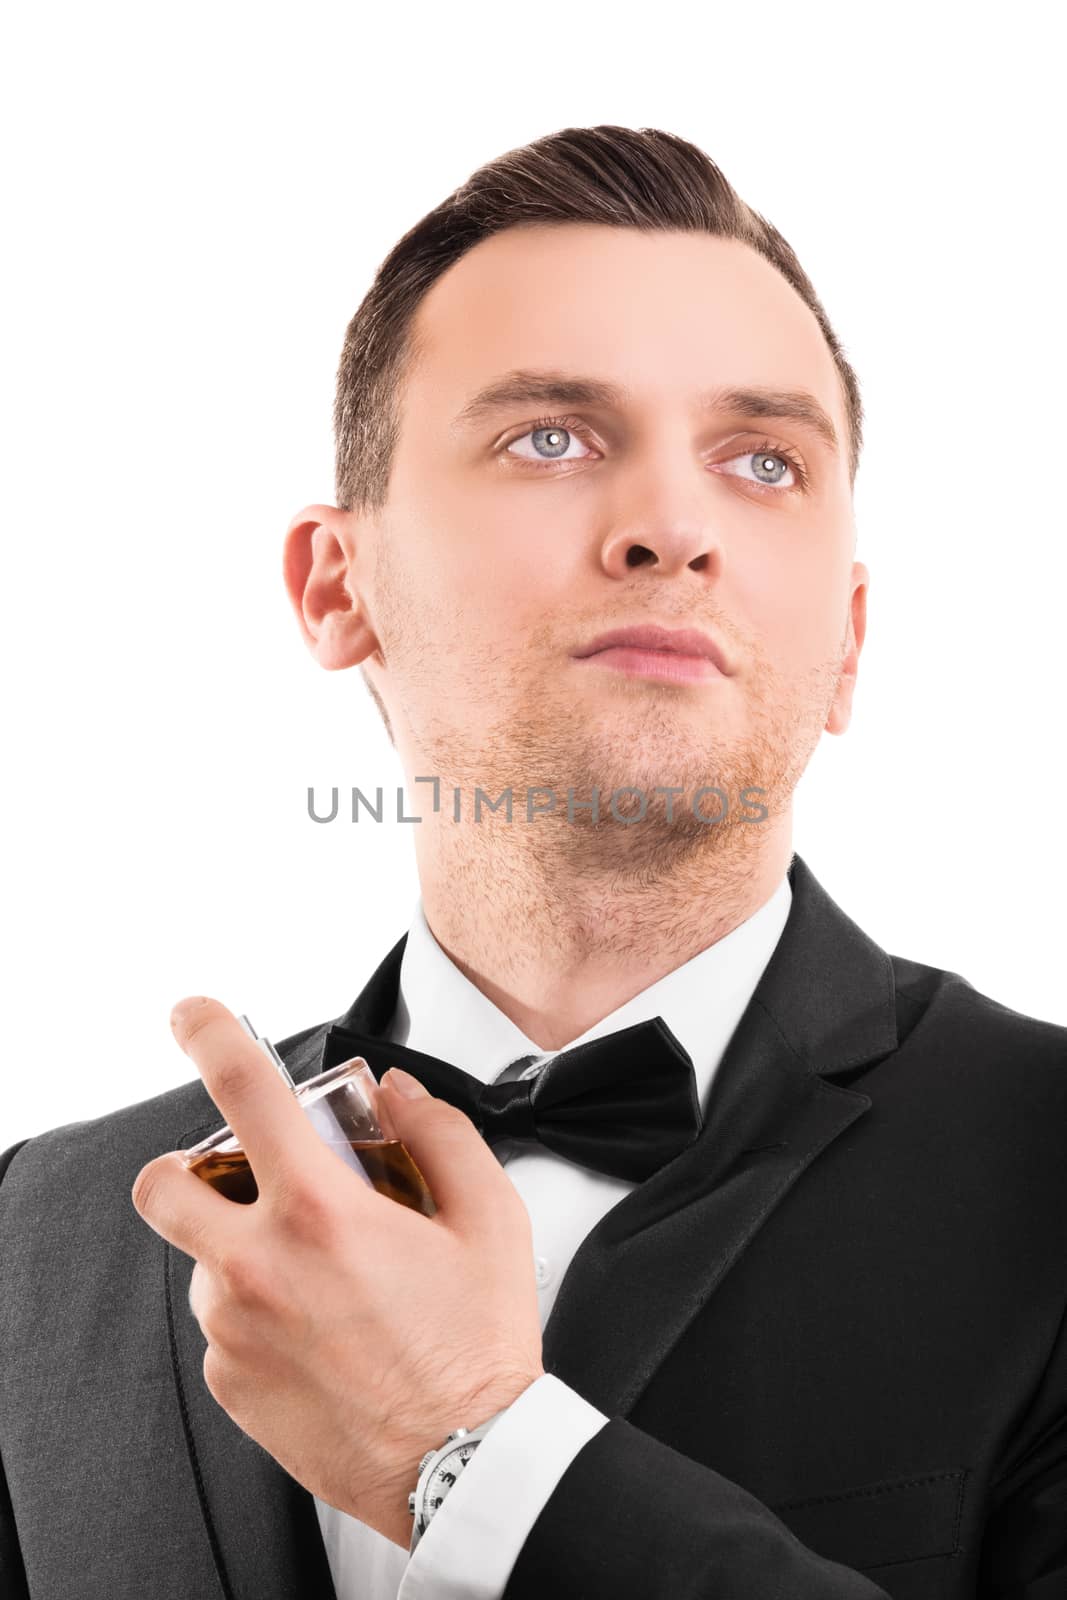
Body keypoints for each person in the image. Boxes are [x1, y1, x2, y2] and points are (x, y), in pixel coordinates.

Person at [1, 124, 1064, 1600]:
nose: (671, 528)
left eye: (763, 461)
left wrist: (469, 1453)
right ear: (335, 584)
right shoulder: (39, 1238)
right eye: (548, 437)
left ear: (850, 643)